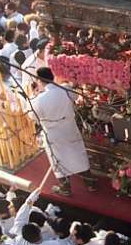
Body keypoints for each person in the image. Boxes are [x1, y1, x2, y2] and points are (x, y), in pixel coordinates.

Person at [29, 66, 95, 195]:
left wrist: (34, 96)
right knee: (78, 154)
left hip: (54, 132)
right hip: (69, 127)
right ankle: (90, 183)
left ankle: (65, 188)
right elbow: (76, 97)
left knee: (58, 159)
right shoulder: (65, 89)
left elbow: (32, 116)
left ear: (39, 81)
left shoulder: (39, 99)